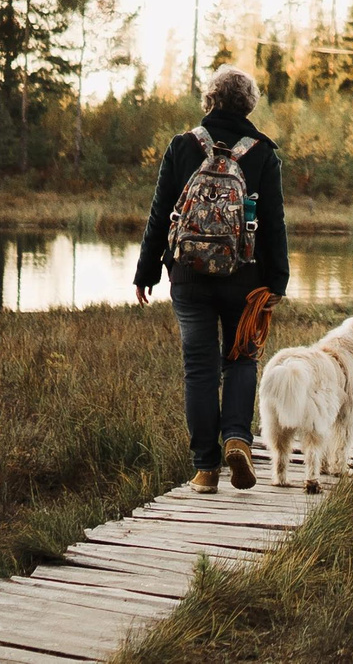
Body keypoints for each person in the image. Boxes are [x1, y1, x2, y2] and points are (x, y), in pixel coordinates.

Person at [134, 66, 290, 492]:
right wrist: (278, 281)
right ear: (249, 105)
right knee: (241, 358)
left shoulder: (183, 146)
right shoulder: (262, 152)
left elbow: (160, 212)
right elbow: (273, 223)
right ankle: (237, 437)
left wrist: (146, 271)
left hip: (187, 275)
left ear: (210, 100)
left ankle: (205, 469)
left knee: (199, 369)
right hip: (245, 276)